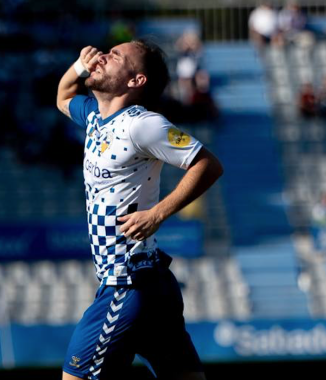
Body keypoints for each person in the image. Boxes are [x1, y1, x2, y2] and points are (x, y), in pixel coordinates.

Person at [56, 40, 223, 380]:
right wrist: (78, 66)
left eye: (115, 56)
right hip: (151, 282)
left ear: (136, 81)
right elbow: (62, 96)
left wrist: (157, 213)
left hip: (126, 283)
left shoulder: (142, 124)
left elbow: (207, 164)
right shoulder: (94, 117)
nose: (102, 56)